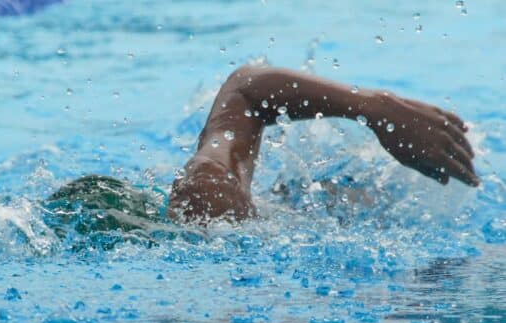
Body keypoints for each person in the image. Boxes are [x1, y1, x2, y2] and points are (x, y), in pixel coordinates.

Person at [47, 65, 478, 232]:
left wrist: (378, 109)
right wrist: (372, 107)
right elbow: (246, 92)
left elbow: (249, 90)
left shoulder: (205, 204)